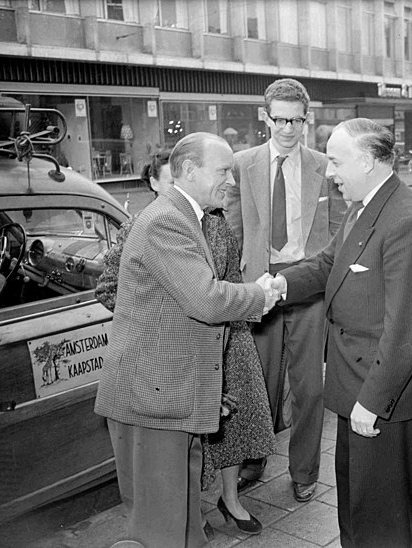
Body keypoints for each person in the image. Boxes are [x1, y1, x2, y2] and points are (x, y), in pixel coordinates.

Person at [270, 118, 412, 547]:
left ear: (367, 161)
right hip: (356, 383)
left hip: (385, 394)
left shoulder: (408, 222)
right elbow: (330, 264)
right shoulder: (364, 204)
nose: (329, 172)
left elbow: (407, 327)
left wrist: (372, 401)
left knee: (383, 519)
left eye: (335, 161)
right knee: (355, 506)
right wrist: (282, 285)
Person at [94, 132, 277, 548]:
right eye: (223, 170)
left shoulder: (188, 218)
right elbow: (207, 300)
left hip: (170, 399)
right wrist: (261, 295)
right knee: (162, 530)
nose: (231, 179)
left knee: (185, 525)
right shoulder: (166, 221)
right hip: (151, 405)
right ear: (190, 171)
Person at [224, 78, 346, 502]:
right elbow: (234, 231)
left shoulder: (323, 166)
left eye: (297, 120)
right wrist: (238, 289)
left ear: (306, 119)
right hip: (260, 285)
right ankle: (255, 460)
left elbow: (337, 232)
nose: (289, 129)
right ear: (266, 118)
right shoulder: (243, 164)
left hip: (308, 284)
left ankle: (305, 470)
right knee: (258, 385)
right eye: (281, 120)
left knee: (310, 387)